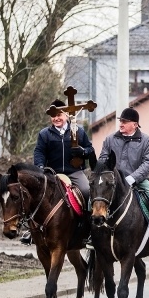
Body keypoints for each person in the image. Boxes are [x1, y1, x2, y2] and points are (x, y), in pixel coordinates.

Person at [94, 107, 149, 247]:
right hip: (113, 181)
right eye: (120, 121)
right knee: (94, 195)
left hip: (138, 181)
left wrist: (132, 178)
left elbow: (148, 164)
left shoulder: (146, 141)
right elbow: (103, 159)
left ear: (135, 124)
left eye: (125, 122)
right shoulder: (110, 139)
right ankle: (92, 233)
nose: (121, 124)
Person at [24, 98, 94, 245]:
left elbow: (90, 150)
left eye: (59, 115)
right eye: (53, 116)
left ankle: (90, 231)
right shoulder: (44, 134)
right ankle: (31, 232)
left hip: (74, 173)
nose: (56, 118)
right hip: (52, 174)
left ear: (66, 115)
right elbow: (39, 152)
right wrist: (40, 167)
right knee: (35, 194)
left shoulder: (79, 132)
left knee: (88, 191)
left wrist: (82, 151)